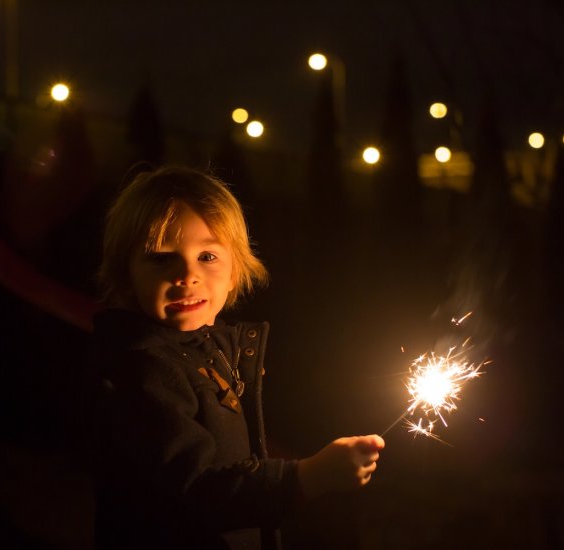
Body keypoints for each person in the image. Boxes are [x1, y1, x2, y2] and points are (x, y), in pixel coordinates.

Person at [84, 165, 384, 549]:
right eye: (161, 257)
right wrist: (305, 478)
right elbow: (194, 490)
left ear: (235, 268)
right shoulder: (142, 371)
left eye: (207, 256)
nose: (187, 275)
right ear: (127, 273)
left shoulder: (215, 349)